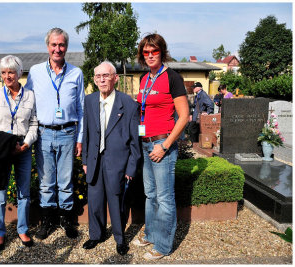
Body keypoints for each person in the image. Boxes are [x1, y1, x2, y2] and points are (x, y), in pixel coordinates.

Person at [24, 28, 85, 240]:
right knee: (46, 181)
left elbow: (81, 109)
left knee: (66, 180)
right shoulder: (35, 72)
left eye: (61, 45)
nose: (57, 49)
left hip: (68, 133)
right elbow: (28, 103)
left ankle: (67, 220)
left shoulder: (76, 73)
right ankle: (47, 220)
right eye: (53, 45)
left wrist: (80, 139)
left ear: (66, 47)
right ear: (47, 46)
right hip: (43, 134)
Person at [133, 33, 189, 260]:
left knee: (164, 197)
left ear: (162, 52)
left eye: (154, 51)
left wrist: (164, 146)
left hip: (161, 144)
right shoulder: (145, 79)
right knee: (150, 195)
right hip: (146, 143)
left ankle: (164, 246)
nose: (149, 55)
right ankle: (152, 234)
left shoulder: (173, 77)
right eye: (145, 52)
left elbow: (184, 116)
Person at [81, 62, 141, 256]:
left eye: (106, 75)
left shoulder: (129, 104)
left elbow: (134, 141)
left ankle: (120, 238)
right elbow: (87, 134)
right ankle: (95, 235)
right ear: (94, 79)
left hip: (118, 163)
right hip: (94, 162)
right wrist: (84, 161)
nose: (102, 79)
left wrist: (131, 168)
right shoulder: (89, 101)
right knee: (95, 200)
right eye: (98, 76)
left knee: (116, 202)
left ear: (115, 78)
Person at [0, 55, 38, 251]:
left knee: (24, 193)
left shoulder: (30, 95)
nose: (7, 76)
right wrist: (0, 142)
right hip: (1, 150)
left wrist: (27, 144)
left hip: (22, 148)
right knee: (0, 194)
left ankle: (22, 229)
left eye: (11, 72)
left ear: (19, 73)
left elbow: (34, 123)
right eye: (4, 73)